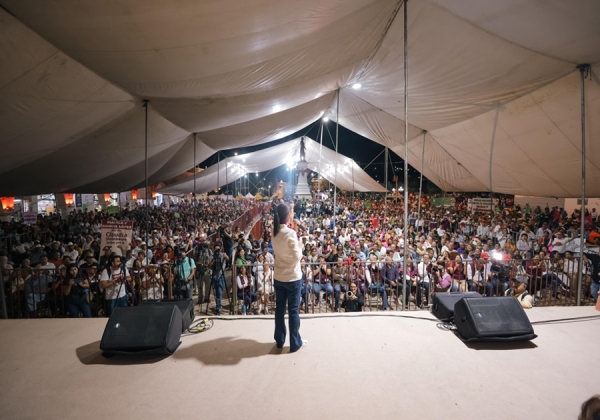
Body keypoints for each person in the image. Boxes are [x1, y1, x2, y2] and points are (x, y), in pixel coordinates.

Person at [272, 202, 306, 352]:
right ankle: (294, 343)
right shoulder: (290, 233)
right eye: (291, 212)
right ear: (287, 215)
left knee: (280, 309)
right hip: (292, 277)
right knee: (293, 310)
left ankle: (279, 340)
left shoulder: (274, 232)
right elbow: (297, 256)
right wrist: (300, 245)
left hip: (279, 276)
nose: (292, 214)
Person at [209, 244, 228, 315]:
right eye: (216, 249)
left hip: (221, 276)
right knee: (216, 293)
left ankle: (218, 308)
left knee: (220, 292)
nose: (217, 251)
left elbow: (228, 259)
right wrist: (212, 261)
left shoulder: (222, 255)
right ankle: (218, 305)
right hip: (214, 276)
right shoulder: (212, 256)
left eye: (218, 249)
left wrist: (225, 256)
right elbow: (209, 266)